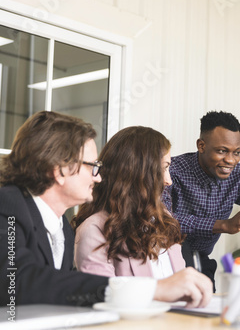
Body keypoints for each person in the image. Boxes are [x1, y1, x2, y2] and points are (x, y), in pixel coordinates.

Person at [0, 111, 212, 308]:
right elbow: (15, 280)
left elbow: (59, 294)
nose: (98, 176)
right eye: (92, 166)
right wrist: (153, 289)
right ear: (60, 170)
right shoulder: (7, 205)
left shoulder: (61, 226)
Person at [162, 111, 240, 284]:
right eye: (222, 151)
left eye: (236, 152)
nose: (230, 160)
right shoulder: (171, 171)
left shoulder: (239, 175)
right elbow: (162, 221)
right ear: (201, 146)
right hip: (163, 261)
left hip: (202, 263)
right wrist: (223, 225)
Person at [73, 126, 185, 279]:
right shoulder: (95, 230)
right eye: (163, 169)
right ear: (138, 173)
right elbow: (103, 293)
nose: (169, 181)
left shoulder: (164, 220)